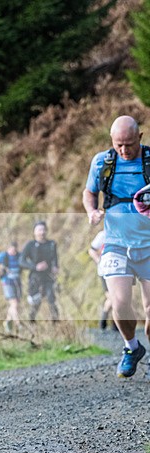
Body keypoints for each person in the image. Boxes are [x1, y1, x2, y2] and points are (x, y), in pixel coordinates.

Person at [83, 115, 150, 379]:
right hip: (115, 243)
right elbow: (89, 192)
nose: (124, 150)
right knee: (120, 303)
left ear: (140, 138)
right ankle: (131, 348)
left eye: (130, 144)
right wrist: (91, 211)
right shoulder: (102, 162)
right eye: (119, 144)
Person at [19, 221, 59, 322]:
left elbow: (55, 258)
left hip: (48, 277)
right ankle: (31, 322)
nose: (42, 232)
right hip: (35, 277)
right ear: (34, 232)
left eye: (44, 229)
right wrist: (35, 267)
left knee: (51, 299)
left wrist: (55, 267)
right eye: (39, 230)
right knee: (36, 302)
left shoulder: (51, 244)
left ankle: (57, 324)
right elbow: (21, 261)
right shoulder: (30, 245)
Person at [87, 230, 115, 330]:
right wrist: (99, 261)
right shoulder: (103, 235)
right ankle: (106, 321)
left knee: (115, 298)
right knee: (112, 298)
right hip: (104, 271)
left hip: (118, 271)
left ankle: (110, 320)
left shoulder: (122, 232)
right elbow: (91, 250)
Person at [0, 242, 22, 333]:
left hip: (17, 281)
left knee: (15, 304)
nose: (13, 251)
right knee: (14, 303)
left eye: (14, 249)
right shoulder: (3, 256)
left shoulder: (19, 256)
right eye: (11, 249)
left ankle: (7, 321)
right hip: (7, 282)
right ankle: (18, 324)